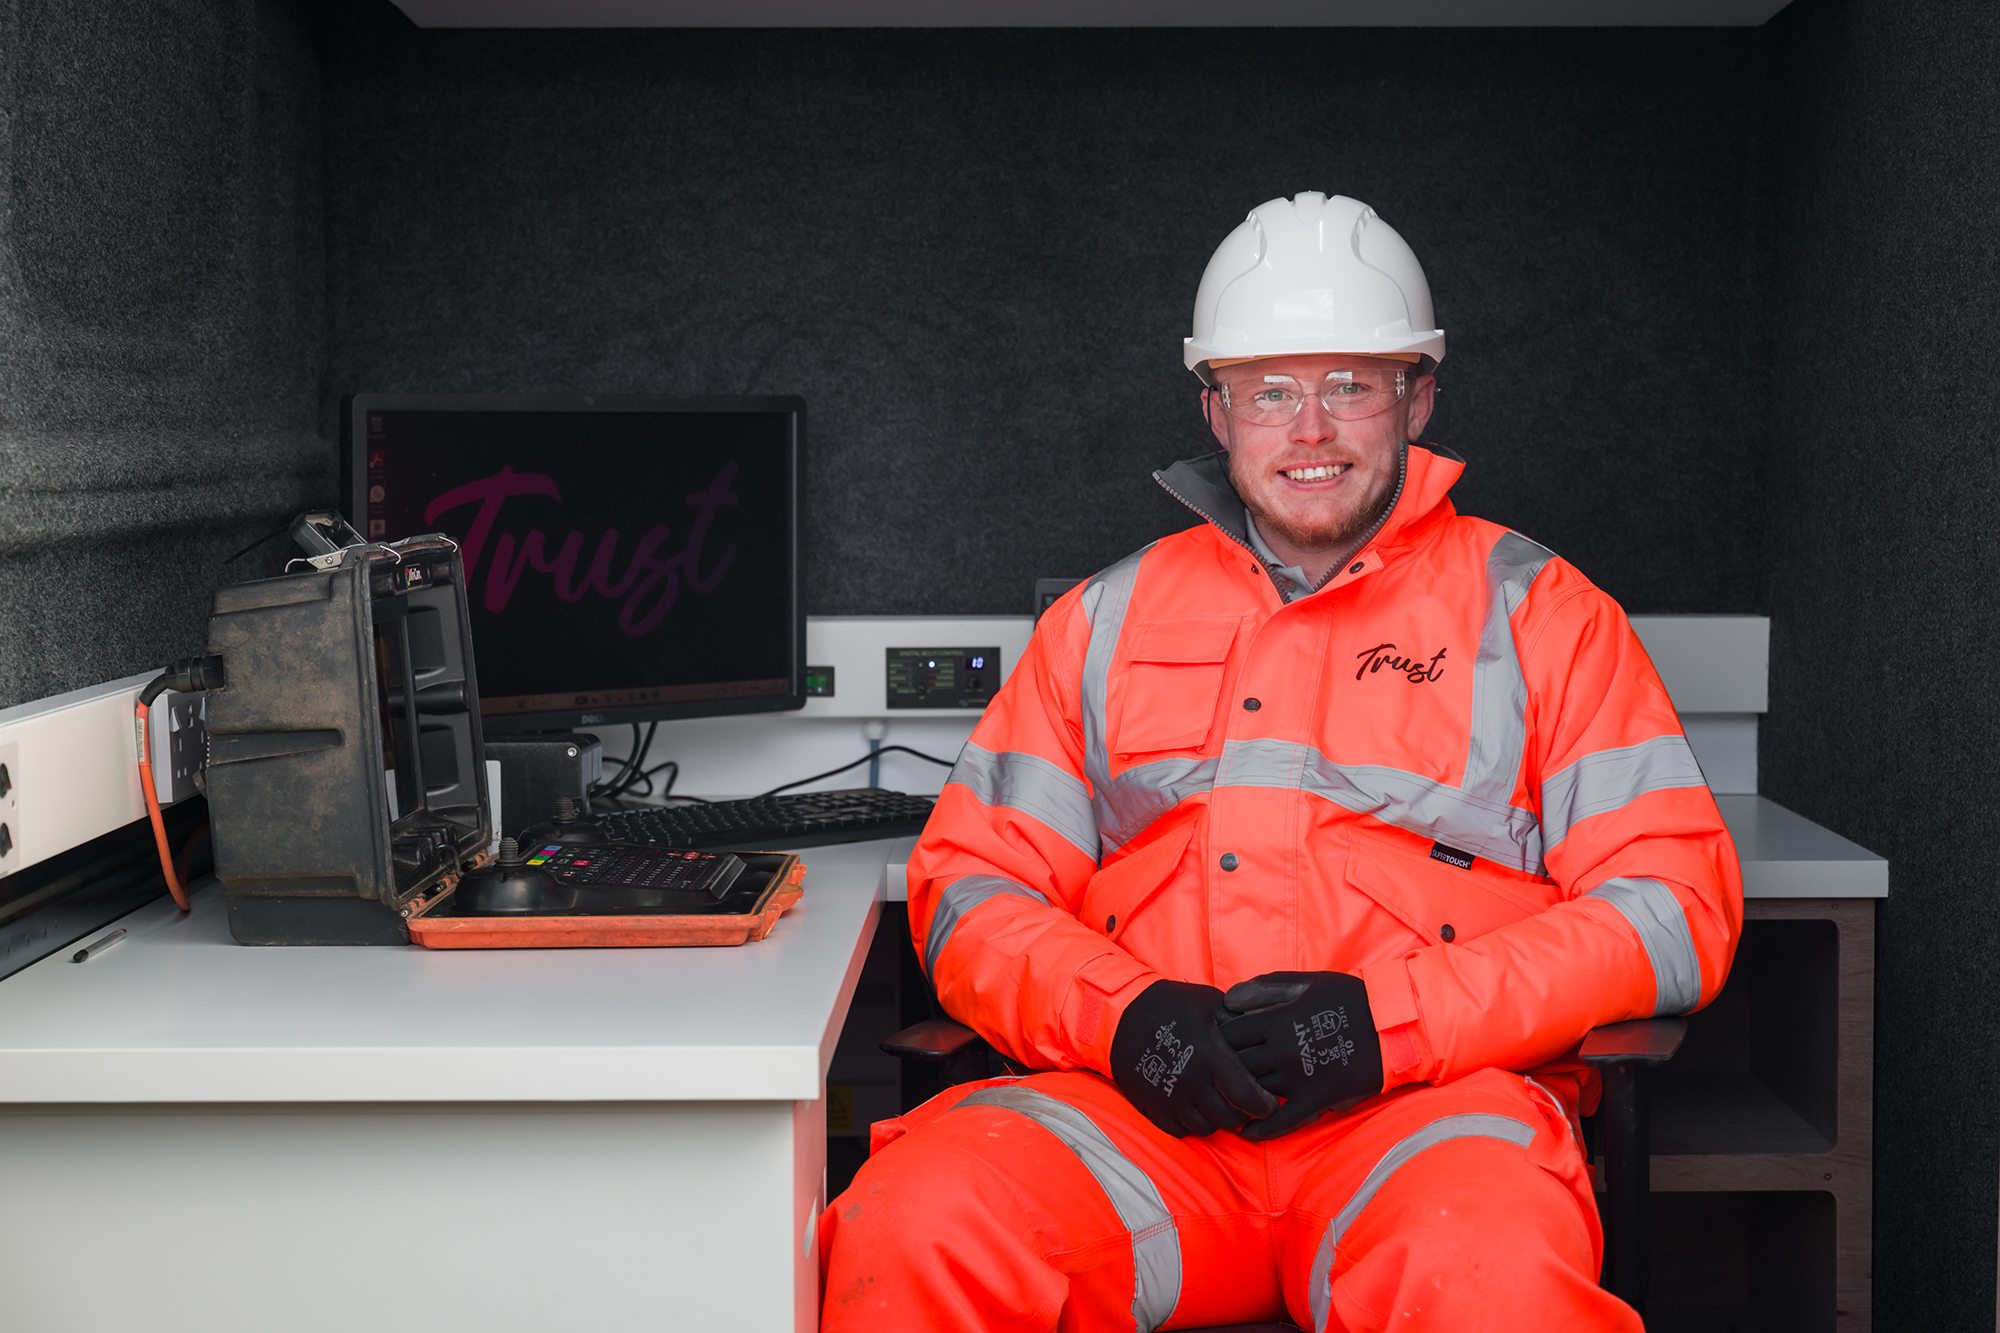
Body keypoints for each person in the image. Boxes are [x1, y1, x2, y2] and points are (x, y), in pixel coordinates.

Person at [818, 192, 1743, 1332]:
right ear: (1216, 410)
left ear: (1417, 395)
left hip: (1421, 1125)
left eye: (1350, 384)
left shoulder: (1539, 613)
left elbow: (1668, 910)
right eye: (1269, 391)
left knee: (1489, 1281)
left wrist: (1388, 1025)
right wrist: (1121, 1018)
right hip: (1135, 1130)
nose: (1309, 430)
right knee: (913, 1228)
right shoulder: (1102, 620)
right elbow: (967, 892)